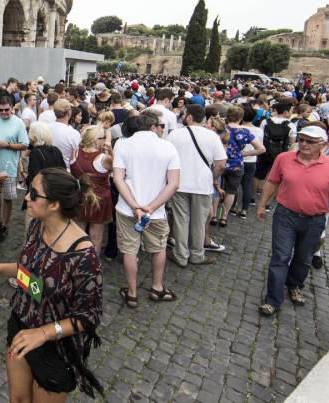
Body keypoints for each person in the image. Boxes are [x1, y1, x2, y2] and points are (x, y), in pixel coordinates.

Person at [0, 168, 104, 401]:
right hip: (21, 325)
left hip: (56, 348)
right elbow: (32, 281)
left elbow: (89, 317)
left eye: (33, 193)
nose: (27, 197)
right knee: (18, 399)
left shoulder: (83, 254)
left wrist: (42, 333)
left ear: (54, 205)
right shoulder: (36, 227)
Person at [257, 125, 329, 316]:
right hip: (286, 216)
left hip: (315, 220)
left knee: (303, 258)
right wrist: (262, 204)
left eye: (310, 141)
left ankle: (294, 285)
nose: (304, 144)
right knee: (280, 257)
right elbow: (272, 182)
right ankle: (273, 300)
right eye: (301, 139)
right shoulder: (284, 158)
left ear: (323, 145)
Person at [113, 111, 180, 308]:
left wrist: (135, 206)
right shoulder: (168, 147)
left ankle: (132, 293)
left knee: (129, 250)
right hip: (155, 211)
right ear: (152, 127)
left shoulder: (123, 144)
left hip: (127, 209)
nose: (162, 129)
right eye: (160, 125)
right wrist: (150, 207)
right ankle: (157, 287)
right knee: (158, 248)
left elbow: (118, 178)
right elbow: (173, 184)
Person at [165, 105, 227, 267]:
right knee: (199, 222)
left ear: (190, 117)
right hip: (202, 186)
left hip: (179, 183)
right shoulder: (212, 137)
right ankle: (197, 254)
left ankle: (181, 255)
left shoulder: (174, 135)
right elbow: (221, 164)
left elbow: (166, 158)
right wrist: (212, 178)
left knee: (180, 220)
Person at [70, 125, 113, 255]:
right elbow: (116, 170)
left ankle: (78, 259)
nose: (104, 140)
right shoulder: (104, 158)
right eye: (102, 138)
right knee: (96, 237)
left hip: (80, 196)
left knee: (79, 233)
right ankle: (93, 265)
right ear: (95, 140)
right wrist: (110, 151)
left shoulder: (75, 152)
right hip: (99, 200)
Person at [218, 106, 265, 227]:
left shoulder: (221, 128)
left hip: (220, 162)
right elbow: (261, 149)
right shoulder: (245, 132)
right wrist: (242, 153)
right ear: (241, 118)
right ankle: (224, 216)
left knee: (215, 189)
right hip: (236, 164)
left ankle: (213, 215)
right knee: (231, 191)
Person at [0, 95, 29, 241]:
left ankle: (4, 225)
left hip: (9, 168)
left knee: (8, 197)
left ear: (12, 108)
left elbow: (25, 144)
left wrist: (7, 145)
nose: (4, 113)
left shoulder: (18, 123)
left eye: (7, 109)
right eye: (1, 110)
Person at [49, 99, 81, 168]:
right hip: (65, 172)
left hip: (47, 170)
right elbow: (76, 158)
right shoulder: (74, 133)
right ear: (69, 113)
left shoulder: (46, 128)